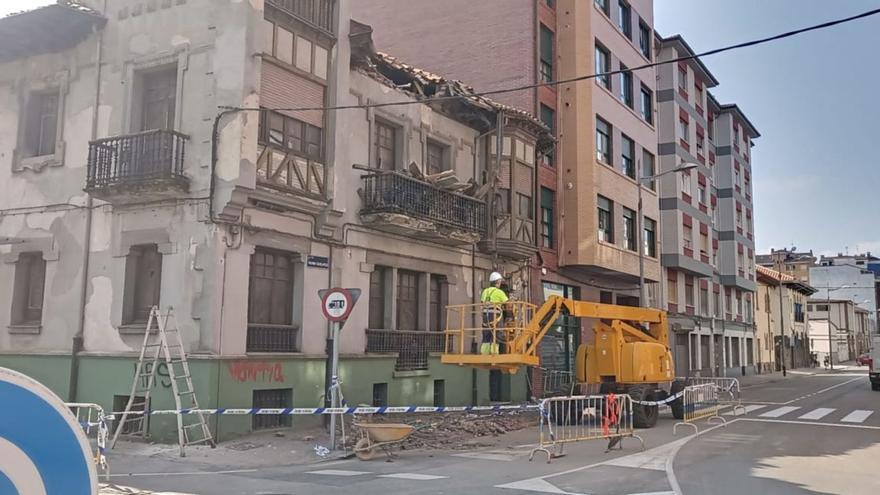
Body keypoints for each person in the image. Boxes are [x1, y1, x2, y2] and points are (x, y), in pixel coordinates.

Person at [480, 272, 509, 355]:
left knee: (486, 333)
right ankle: (494, 352)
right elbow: (508, 303)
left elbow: (482, 302)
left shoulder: (485, 291)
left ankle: (484, 353)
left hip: (485, 315)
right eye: (499, 281)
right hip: (495, 315)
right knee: (496, 333)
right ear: (497, 282)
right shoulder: (499, 292)